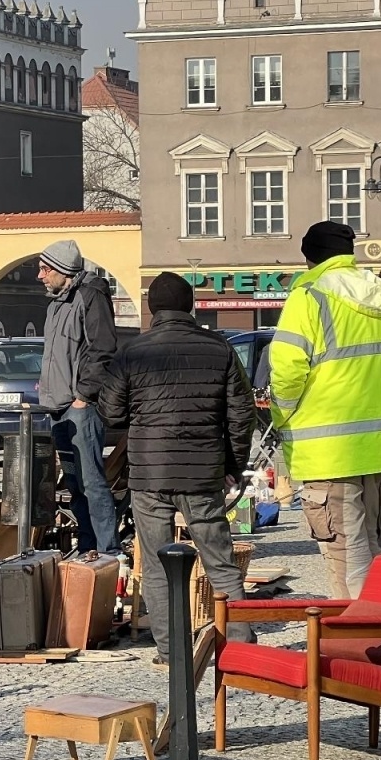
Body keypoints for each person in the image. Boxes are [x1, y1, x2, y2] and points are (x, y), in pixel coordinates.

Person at [99, 273, 256, 667]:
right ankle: (239, 645)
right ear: (191, 306)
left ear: (152, 309)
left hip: (149, 473)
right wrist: (233, 464)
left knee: (155, 563)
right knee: (219, 560)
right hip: (203, 472)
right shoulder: (219, 349)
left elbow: (112, 411)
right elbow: (242, 414)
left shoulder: (133, 352)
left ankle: (171, 652)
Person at [270, 221, 381, 598]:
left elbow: (286, 370)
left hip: (327, 452)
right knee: (372, 550)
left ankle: (355, 647)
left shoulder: (309, 297)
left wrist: (282, 417)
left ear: (308, 257)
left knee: (346, 558)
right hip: (377, 450)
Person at [37, 240, 122, 557]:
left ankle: (107, 549)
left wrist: (84, 396)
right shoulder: (55, 303)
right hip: (57, 408)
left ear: (62, 270)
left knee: (91, 482)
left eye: (45, 269)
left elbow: (102, 349)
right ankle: (88, 547)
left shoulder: (90, 294)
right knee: (74, 483)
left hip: (80, 409)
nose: (40, 276)